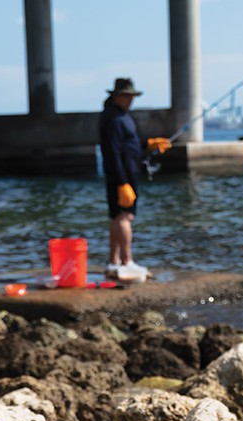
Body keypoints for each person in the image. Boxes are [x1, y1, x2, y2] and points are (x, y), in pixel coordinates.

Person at [98, 77, 171, 280]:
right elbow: (112, 152)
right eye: (127, 96)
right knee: (125, 217)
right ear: (116, 96)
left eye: (132, 96)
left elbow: (132, 143)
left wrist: (150, 144)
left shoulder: (123, 116)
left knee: (117, 217)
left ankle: (113, 262)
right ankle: (127, 261)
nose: (131, 99)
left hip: (128, 172)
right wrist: (122, 182)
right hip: (121, 174)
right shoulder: (112, 119)